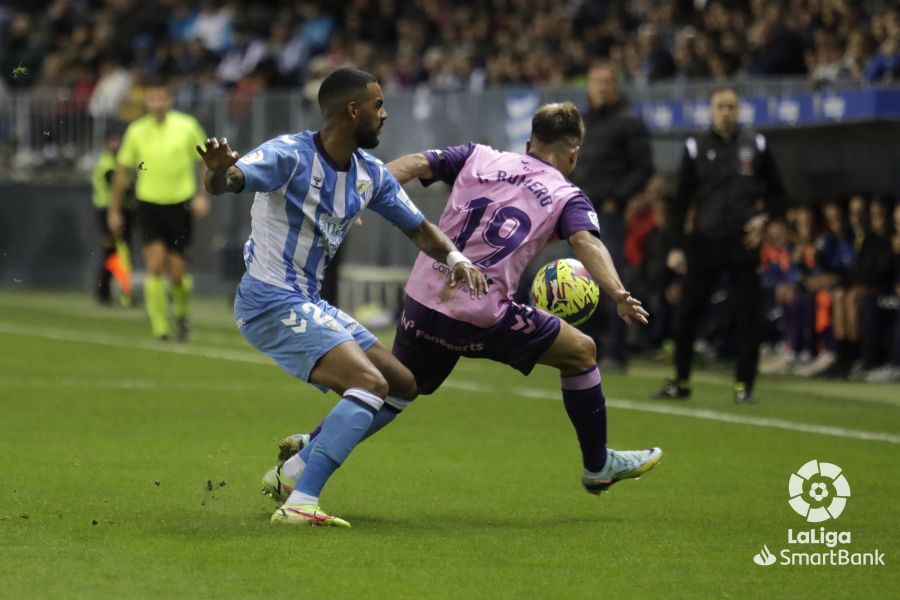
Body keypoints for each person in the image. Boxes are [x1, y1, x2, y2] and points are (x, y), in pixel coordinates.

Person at [270, 102, 661, 517]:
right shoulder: (568, 195)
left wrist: (356, 196)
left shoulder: (480, 156)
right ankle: (597, 464)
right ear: (574, 153)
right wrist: (617, 292)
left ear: (529, 143)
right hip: (480, 313)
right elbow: (587, 243)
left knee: (397, 389)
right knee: (581, 352)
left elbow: (416, 164)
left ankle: (310, 451)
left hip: (422, 299)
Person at [197, 67, 487, 527]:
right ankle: (300, 500)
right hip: (270, 299)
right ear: (353, 110)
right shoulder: (288, 156)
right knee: (369, 385)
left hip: (307, 300)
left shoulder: (368, 174)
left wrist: (456, 260)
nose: (384, 113)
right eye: (378, 105)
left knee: (403, 385)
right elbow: (230, 180)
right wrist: (215, 174)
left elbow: (418, 228)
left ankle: (294, 469)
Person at [654, 87, 786, 404]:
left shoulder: (756, 144)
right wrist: (676, 246)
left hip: (743, 241)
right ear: (711, 111)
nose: (726, 112)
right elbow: (681, 201)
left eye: (731, 106)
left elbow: (779, 193)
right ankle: (681, 380)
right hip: (705, 241)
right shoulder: (695, 146)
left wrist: (764, 218)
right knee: (687, 313)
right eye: (720, 107)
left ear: (739, 110)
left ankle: (744, 386)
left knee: (747, 315)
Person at [108, 79, 209, 341]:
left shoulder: (187, 126)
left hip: (179, 204)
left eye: (162, 98)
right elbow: (123, 171)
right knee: (154, 265)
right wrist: (114, 209)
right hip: (149, 203)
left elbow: (206, 160)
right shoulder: (136, 130)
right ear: (147, 102)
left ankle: (181, 316)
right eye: (152, 99)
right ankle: (160, 327)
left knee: (177, 273)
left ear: (169, 100)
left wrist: (202, 195)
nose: (158, 104)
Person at [569, 63, 654, 372]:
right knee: (579, 282)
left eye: (606, 82)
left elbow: (643, 168)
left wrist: (618, 199)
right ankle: (584, 349)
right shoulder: (582, 121)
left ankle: (617, 352)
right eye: (596, 82)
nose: (601, 88)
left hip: (608, 215)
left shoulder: (629, 122)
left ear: (615, 86)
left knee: (612, 282)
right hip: (578, 212)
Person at [92, 128, 134, 306]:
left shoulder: (117, 162)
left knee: (117, 253)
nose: (117, 145)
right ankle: (104, 292)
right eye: (113, 141)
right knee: (112, 253)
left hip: (118, 210)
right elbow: (116, 182)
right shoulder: (107, 163)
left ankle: (115, 292)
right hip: (107, 211)